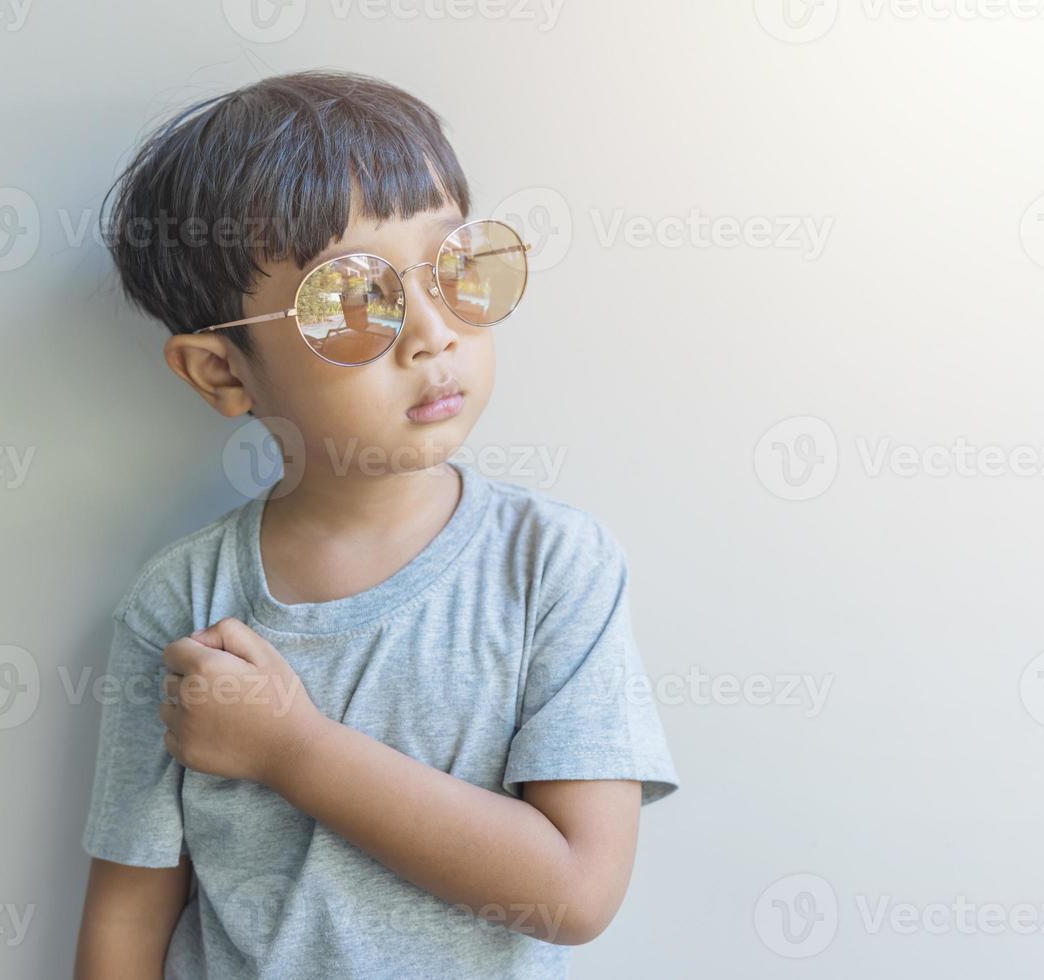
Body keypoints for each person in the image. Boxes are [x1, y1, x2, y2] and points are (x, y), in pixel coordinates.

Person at [73, 69, 678, 979]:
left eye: (452, 267)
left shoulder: (553, 567)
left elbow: (576, 891)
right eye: (350, 300)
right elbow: (127, 913)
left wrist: (293, 749)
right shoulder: (183, 602)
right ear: (220, 373)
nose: (431, 332)